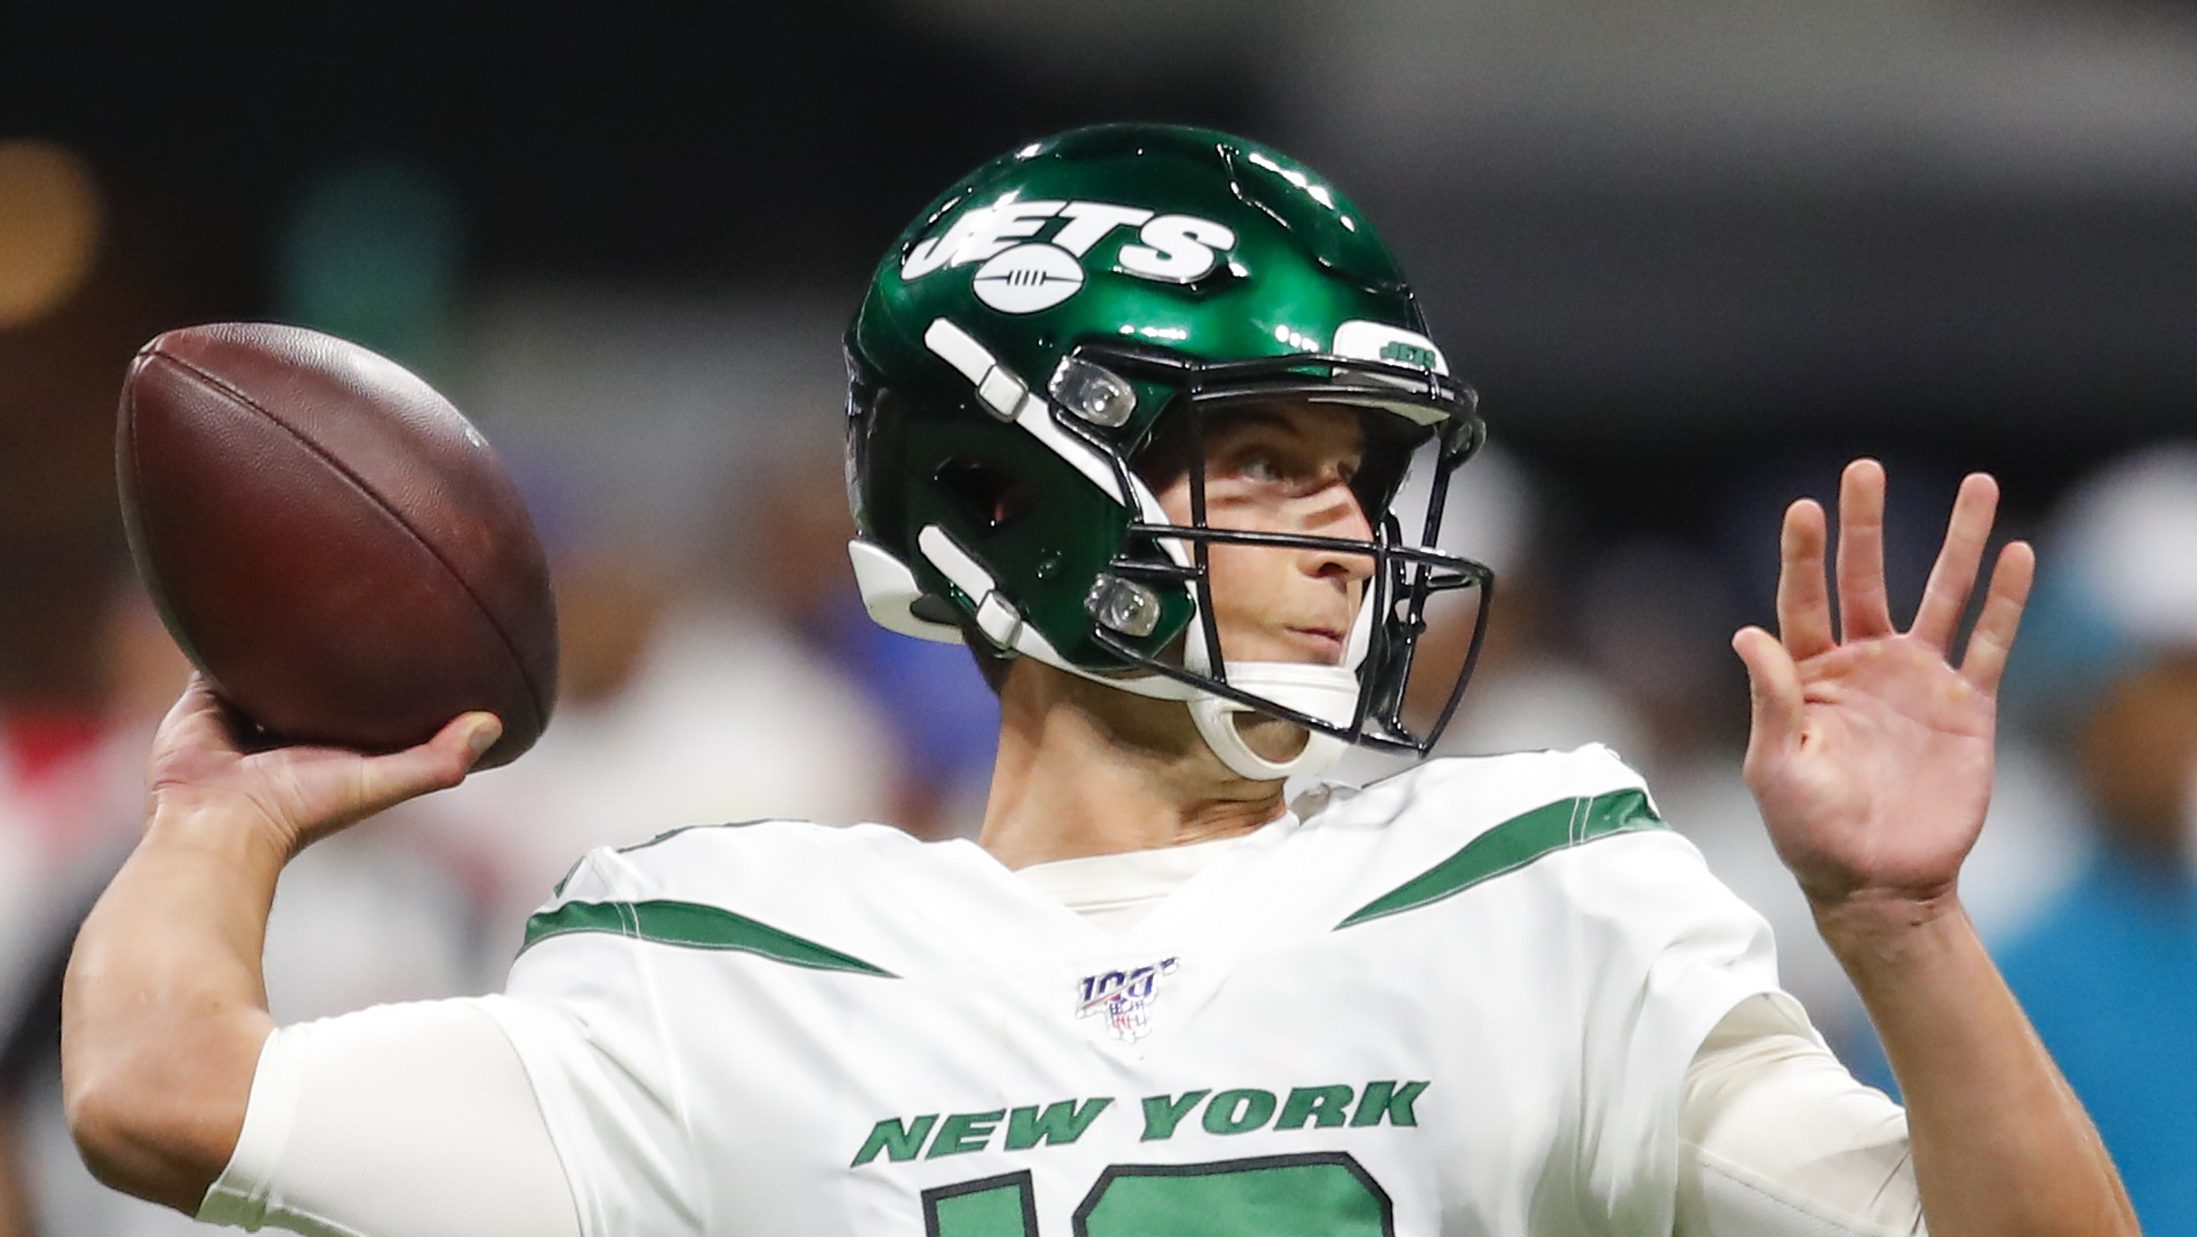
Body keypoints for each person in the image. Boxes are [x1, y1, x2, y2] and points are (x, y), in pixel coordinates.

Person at [59, 125, 2129, 1236]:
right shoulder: (726, 962)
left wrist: (1903, 928)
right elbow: (165, 1098)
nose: (1345, 532)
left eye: (1355, 471)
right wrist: (217, 815)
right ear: (1001, 486)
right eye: (1262, 459)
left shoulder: (1537, 885)